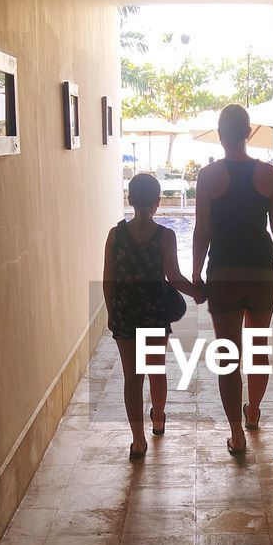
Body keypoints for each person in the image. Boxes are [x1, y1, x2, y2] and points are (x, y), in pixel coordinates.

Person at [192, 104, 273, 455]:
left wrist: (195, 272)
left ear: (221, 134)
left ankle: (237, 434)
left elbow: (202, 230)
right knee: (256, 350)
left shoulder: (208, 177)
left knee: (228, 356)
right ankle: (252, 413)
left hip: (224, 272)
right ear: (249, 132)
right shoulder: (269, 174)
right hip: (261, 272)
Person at [103, 173, 204, 459]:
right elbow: (173, 277)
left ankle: (138, 441)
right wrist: (198, 292)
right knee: (156, 369)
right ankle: (158, 418)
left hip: (124, 311)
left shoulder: (115, 235)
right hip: (153, 313)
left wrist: (112, 312)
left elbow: (108, 280)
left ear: (130, 199)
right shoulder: (165, 236)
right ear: (157, 202)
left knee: (131, 378)